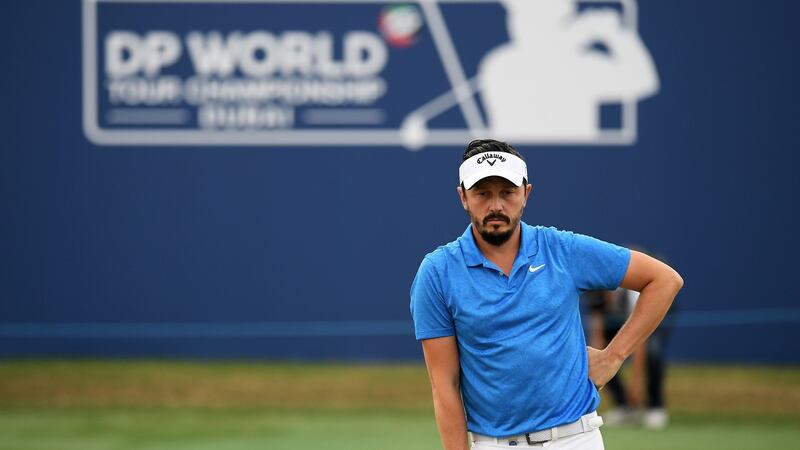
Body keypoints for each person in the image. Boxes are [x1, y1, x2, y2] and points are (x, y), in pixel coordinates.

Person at [410, 139, 683, 449]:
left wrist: (613, 357)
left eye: (507, 192)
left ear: (526, 193)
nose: (495, 206)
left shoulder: (561, 249)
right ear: (463, 197)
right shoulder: (437, 272)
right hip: (494, 443)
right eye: (482, 193)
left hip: (576, 439)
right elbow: (444, 385)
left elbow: (664, 280)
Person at [585, 280, 672, 429]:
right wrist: (600, 360)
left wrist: (636, 382)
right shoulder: (595, 285)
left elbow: (639, 343)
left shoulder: (634, 291)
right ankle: (624, 406)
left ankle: (655, 406)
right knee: (600, 357)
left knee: (652, 353)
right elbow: (597, 327)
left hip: (646, 319)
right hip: (616, 322)